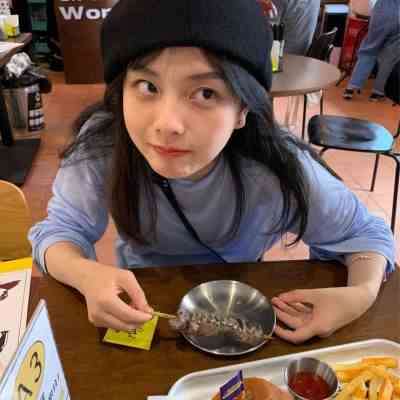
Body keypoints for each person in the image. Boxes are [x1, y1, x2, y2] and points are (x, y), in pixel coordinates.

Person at [29, 0, 395, 344]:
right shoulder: (104, 145)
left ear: (243, 109)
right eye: (148, 86)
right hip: (143, 303)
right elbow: (60, 232)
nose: (168, 124)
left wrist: (359, 294)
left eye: (205, 93)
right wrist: (83, 273)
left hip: (240, 307)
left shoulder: (275, 167)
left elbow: (366, 235)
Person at [343, 0, 400, 101]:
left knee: (369, 50)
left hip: (381, 12)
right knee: (389, 58)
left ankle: (351, 87)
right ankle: (377, 92)